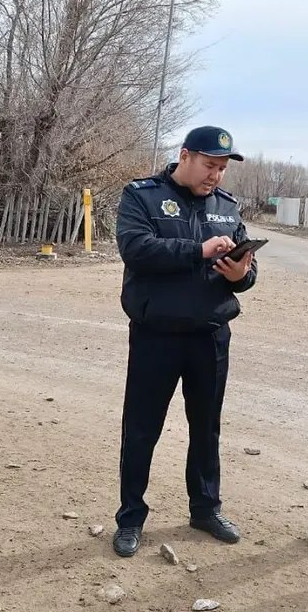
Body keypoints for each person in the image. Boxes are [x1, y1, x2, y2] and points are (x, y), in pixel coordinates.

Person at [111, 125, 258, 558]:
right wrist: (199, 250)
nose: (216, 175)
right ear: (186, 156)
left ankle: (206, 509)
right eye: (210, 165)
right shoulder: (142, 195)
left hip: (210, 336)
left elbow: (247, 272)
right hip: (157, 334)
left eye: (222, 168)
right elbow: (136, 249)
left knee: (206, 427)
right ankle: (131, 517)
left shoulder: (226, 206)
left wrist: (241, 275)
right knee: (142, 430)